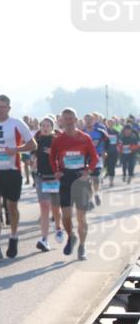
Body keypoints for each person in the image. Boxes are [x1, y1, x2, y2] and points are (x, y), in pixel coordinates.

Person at [0, 95, 37, 260]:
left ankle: (13, 236)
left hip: (12, 171)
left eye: (2, 107)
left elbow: (33, 145)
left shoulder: (17, 124)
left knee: (12, 207)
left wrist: (16, 150)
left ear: (8, 108)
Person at [50, 108, 99, 260]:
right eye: (66, 118)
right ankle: (71, 236)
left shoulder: (85, 138)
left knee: (81, 217)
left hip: (81, 179)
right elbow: (52, 158)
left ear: (76, 119)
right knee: (65, 216)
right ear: (61, 121)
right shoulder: (58, 140)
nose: (69, 121)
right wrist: (56, 171)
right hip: (65, 179)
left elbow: (94, 158)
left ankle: (82, 247)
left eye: (71, 118)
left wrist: (88, 171)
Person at [32, 117, 63, 252]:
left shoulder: (57, 140)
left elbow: (64, 155)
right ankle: (44, 239)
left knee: (55, 208)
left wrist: (55, 153)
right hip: (41, 177)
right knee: (45, 207)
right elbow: (32, 154)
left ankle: (58, 228)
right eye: (42, 125)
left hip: (54, 177)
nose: (44, 127)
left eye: (47, 125)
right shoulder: (37, 140)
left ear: (52, 127)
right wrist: (33, 160)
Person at [83, 113, 109, 206]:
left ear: (94, 121)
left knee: (95, 179)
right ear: (84, 121)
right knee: (87, 180)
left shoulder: (100, 131)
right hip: (85, 159)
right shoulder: (81, 132)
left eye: (90, 120)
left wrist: (104, 151)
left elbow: (107, 141)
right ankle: (90, 200)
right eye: (86, 120)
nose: (88, 122)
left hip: (97, 157)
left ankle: (96, 193)